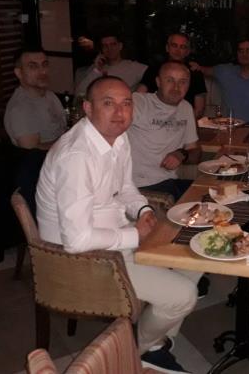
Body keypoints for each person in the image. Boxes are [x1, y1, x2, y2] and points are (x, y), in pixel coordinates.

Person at [36, 75, 198, 373]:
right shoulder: (77, 157)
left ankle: (153, 342)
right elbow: (77, 240)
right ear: (87, 108)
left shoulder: (117, 138)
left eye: (127, 104)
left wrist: (143, 210)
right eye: (108, 103)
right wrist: (134, 235)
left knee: (194, 253)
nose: (120, 113)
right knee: (184, 296)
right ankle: (138, 351)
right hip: (83, 260)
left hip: (114, 236)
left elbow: (125, 188)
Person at [128, 61, 201, 200]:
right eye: (170, 80)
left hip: (169, 183)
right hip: (140, 189)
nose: (176, 87)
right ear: (158, 82)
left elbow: (195, 153)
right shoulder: (138, 102)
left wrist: (182, 154)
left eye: (183, 82)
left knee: (215, 194)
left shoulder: (185, 108)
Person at [191, 37, 249, 122]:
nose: (244, 54)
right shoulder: (225, 71)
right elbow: (202, 69)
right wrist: (195, 66)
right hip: (227, 126)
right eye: (241, 51)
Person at [4, 46, 66, 149]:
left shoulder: (50, 95)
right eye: (33, 67)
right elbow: (32, 151)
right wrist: (69, 140)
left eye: (44, 65)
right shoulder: (20, 108)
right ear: (19, 73)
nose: (43, 71)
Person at [136, 32, 208, 118]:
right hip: (154, 118)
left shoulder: (195, 73)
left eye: (182, 47)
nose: (178, 50)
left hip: (184, 119)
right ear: (167, 48)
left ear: (187, 51)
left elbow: (199, 109)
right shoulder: (154, 69)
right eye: (174, 45)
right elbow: (139, 97)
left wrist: (183, 121)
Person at [75, 32, 147, 94]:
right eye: (105, 45)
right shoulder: (95, 68)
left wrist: (139, 93)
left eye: (113, 44)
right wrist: (97, 70)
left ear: (120, 46)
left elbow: (151, 74)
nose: (109, 48)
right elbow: (79, 92)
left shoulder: (134, 67)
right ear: (102, 49)